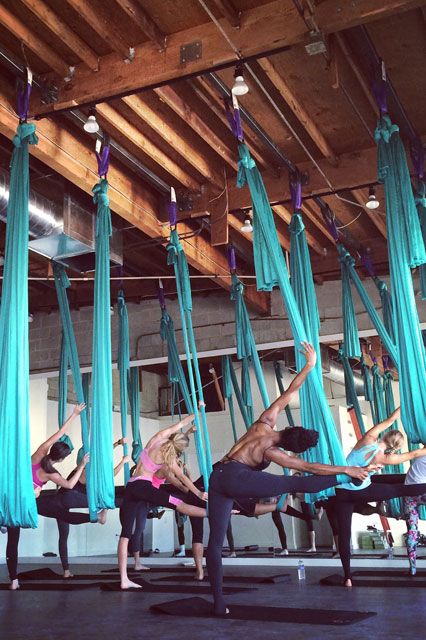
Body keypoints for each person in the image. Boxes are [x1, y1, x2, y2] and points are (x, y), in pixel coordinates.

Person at [205, 342, 375, 616]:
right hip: (236, 478)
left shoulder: (264, 421)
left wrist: (309, 365)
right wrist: (345, 470)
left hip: (218, 475)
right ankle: (347, 480)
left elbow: (290, 391)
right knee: (294, 483)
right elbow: (309, 467)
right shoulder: (273, 453)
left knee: (215, 541)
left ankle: (218, 603)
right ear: (291, 447)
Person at [6, 403, 106, 590]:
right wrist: (82, 465)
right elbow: (69, 485)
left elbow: (60, 433)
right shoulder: (51, 473)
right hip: (28, 504)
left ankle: (14, 581)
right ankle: (97, 517)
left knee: (13, 540)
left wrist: (74, 414)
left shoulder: (39, 453)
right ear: (60, 459)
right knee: (63, 514)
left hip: (13, 501)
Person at [117, 410, 209, 590]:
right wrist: (198, 493)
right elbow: (182, 477)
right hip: (144, 487)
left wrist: (195, 413)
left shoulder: (157, 439)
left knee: (125, 534)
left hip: (131, 486)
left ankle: (124, 579)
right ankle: (213, 513)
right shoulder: (169, 458)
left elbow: (179, 426)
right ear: (179, 450)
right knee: (179, 504)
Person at [334, 408, 426, 586]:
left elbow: (390, 419)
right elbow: (414, 454)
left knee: (344, 535)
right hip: (362, 491)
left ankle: (347, 577)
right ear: (396, 447)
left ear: (386, 435)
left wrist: (402, 407)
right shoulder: (386, 459)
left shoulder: (368, 439)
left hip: (342, 492)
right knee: (402, 488)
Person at [56, 437, 130, 578]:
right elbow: (109, 476)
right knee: (105, 498)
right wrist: (123, 462)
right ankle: (101, 514)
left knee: (63, 536)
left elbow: (101, 454)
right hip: (67, 499)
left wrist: (117, 443)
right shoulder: (84, 471)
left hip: (62, 502)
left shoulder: (84, 468)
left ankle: (66, 571)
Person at [403, 457, 426, 576]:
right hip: (422, 489)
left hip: (409, 493)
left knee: (412, 531)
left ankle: (412, 569)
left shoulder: (420, 459)